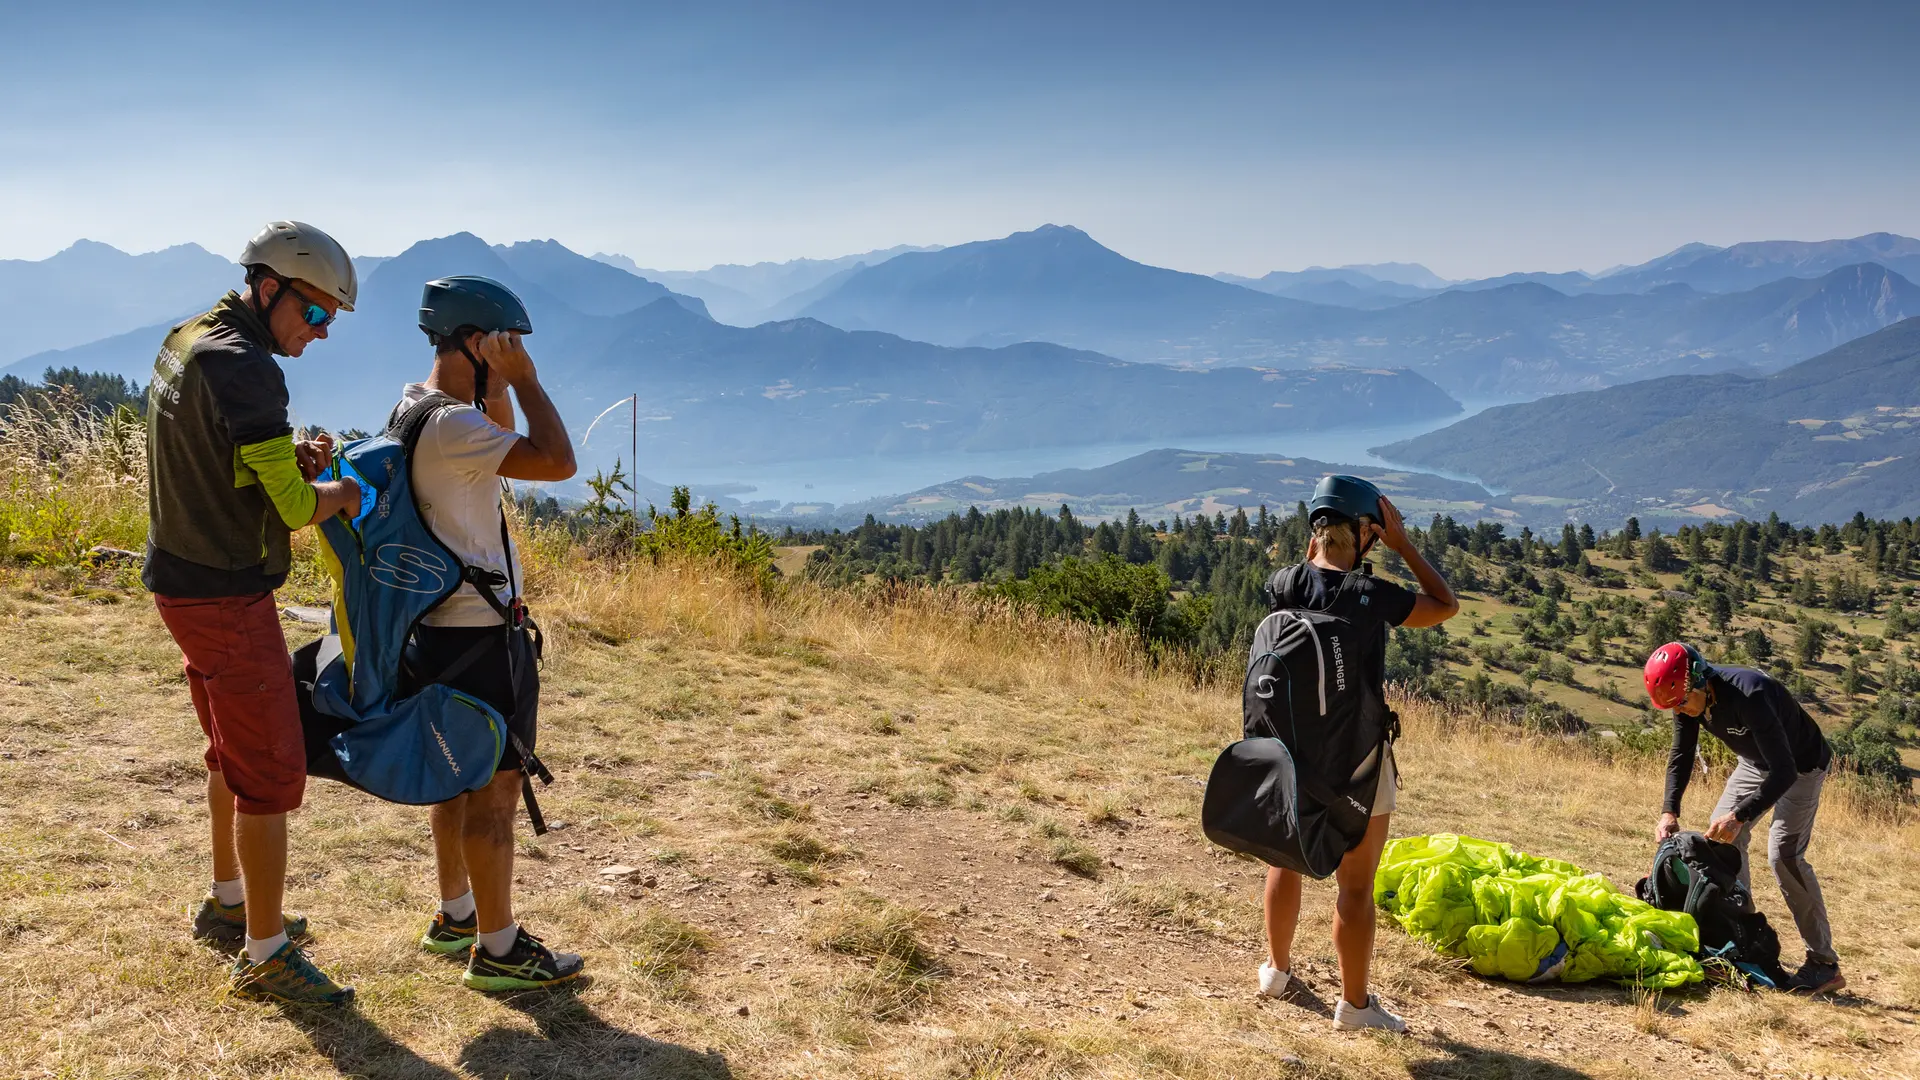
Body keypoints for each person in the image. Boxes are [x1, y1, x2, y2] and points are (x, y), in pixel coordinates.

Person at [146, 221, 363, 1004]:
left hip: (180, 578)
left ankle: (229, 899)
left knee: (229, 753)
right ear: (270, 288)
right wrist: (341, 492)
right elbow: (301, 506)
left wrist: (279, 458)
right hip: (226, 592)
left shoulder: (190, 338)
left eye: (331, 319)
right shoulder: (247, 370)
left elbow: (221, 455)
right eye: (314, 313)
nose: (322, 331)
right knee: (270, 770)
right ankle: (265, 955)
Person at [393, 276, 584, 991]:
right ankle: (499, 951)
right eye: (507, 343)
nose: (518, 354)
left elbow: (496, 432)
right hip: (482, 637)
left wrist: (495, 381)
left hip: (436, 631)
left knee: (455, 781)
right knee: (495, 793)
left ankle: (457, 917)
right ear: (478, 341)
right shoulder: (455, 429)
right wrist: (528, 382)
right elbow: (557, 462)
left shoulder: (415, 406)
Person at [1257, 475, 1459, 1032]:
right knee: (1355, 885)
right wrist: (1404, 545)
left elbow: (1308, 581)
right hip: (1358, 760)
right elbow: (1446, 604)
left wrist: (1319, 553)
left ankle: (1276, 972)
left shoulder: (1283, 582)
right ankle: (1355, 1006)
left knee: (1286, 858)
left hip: (1289, 752)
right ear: (1367, 532)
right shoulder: (1372, 597)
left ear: (1316, 529)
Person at [1645, 642, 1844, 994]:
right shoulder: (1686, 699)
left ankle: (1823, 963)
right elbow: (1681, 755)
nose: (1682, 712)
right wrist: (1669, 810)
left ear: (1702, 682)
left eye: (1683, 703)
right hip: (1754, 763)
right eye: (1674, 707)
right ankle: (1743, 940)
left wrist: (1741, 815)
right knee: (1721, 840)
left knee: (1784, 857)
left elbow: (1783, 771)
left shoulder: (1751, 694)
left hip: (1800, 766)